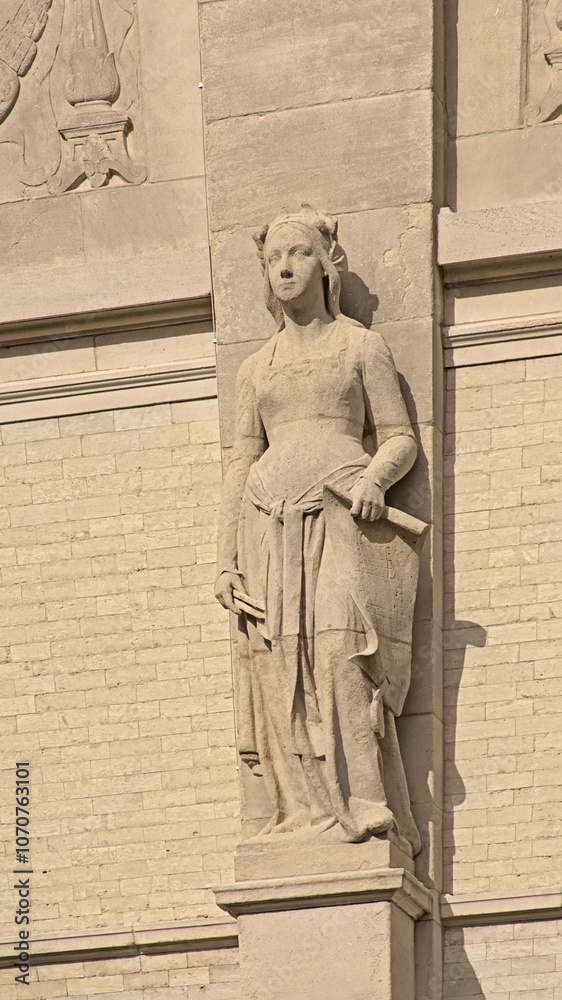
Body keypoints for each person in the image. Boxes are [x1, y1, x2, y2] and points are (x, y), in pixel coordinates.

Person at [215, 205, 421, 853]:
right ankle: (301, 810)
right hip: (267, 528)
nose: (285, 267)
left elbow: (399, 437)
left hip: (339, 521)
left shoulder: (361, 346)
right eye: (274, 257)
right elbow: (241, 459)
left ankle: (363, 802)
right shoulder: (256, 368)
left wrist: (374, 480)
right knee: (278, 663)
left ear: (326, 266)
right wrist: (225, 559)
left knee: (340, 650)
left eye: (299, 253)